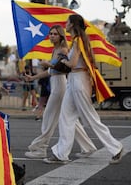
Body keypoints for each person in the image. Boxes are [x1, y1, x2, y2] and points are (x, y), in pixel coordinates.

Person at [45, 14, 123, 165]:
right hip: (74, 80)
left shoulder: (78, 41)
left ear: (73, 25)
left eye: (67, 23)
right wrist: (64, 59)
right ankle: (61, 153)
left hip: (79, 80)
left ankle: (115, 147)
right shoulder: (77, 41)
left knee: (90, 118)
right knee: (65, 117)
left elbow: (72, 64)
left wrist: (62, 58)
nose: (65, 25)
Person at [24, 25, 96, 159]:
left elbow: (64, 68)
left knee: (48, 117)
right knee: (70, 120)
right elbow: (51, 71)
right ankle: (88, 147)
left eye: (55, 34)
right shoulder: (55, 50)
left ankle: (40, 148)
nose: (52, 36)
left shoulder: (63, 49)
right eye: (50, 34)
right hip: (56, 83)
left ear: (61, 36)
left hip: (60, 85)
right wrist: (33, 77)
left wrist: (48, 64)